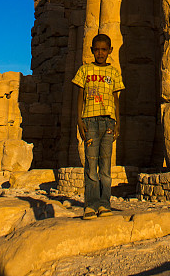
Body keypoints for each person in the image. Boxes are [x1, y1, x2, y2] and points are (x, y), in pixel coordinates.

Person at [72, 33, 124, 218]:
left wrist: (117, 122)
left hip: (108, 122)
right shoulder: (84, 70)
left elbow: (116, 99)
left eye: (104, 50)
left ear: (110, 51)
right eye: (97, 50)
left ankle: (104, 204)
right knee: (91, 164)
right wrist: (79, 120)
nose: (100, 53)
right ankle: (90, 205)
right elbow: (80, 96)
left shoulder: (114, 72)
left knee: (105, 166)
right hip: (90, 120)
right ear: (92, 50)